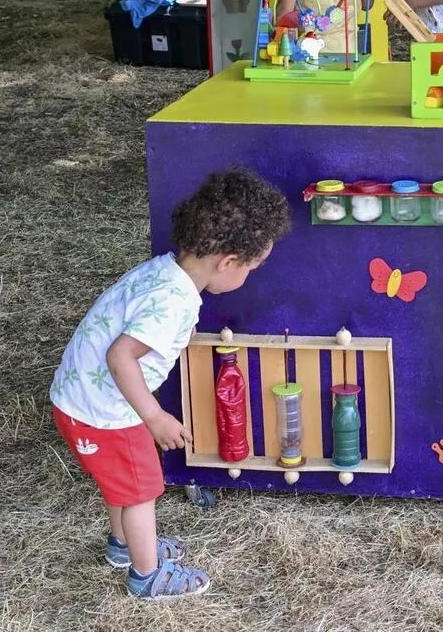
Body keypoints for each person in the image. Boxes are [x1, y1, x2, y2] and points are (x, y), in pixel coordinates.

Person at [49, 168, 290, 598]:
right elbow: (121, 356)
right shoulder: (173, 302)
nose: (249, 276)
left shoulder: (163, 272)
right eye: (251, 268)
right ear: (227, 262)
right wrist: (155, 416)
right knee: (142, 491)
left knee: (123, 484)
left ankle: (125, 545)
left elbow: (140, 329)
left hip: (79, 400)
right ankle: (147, 575)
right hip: (107, 413)